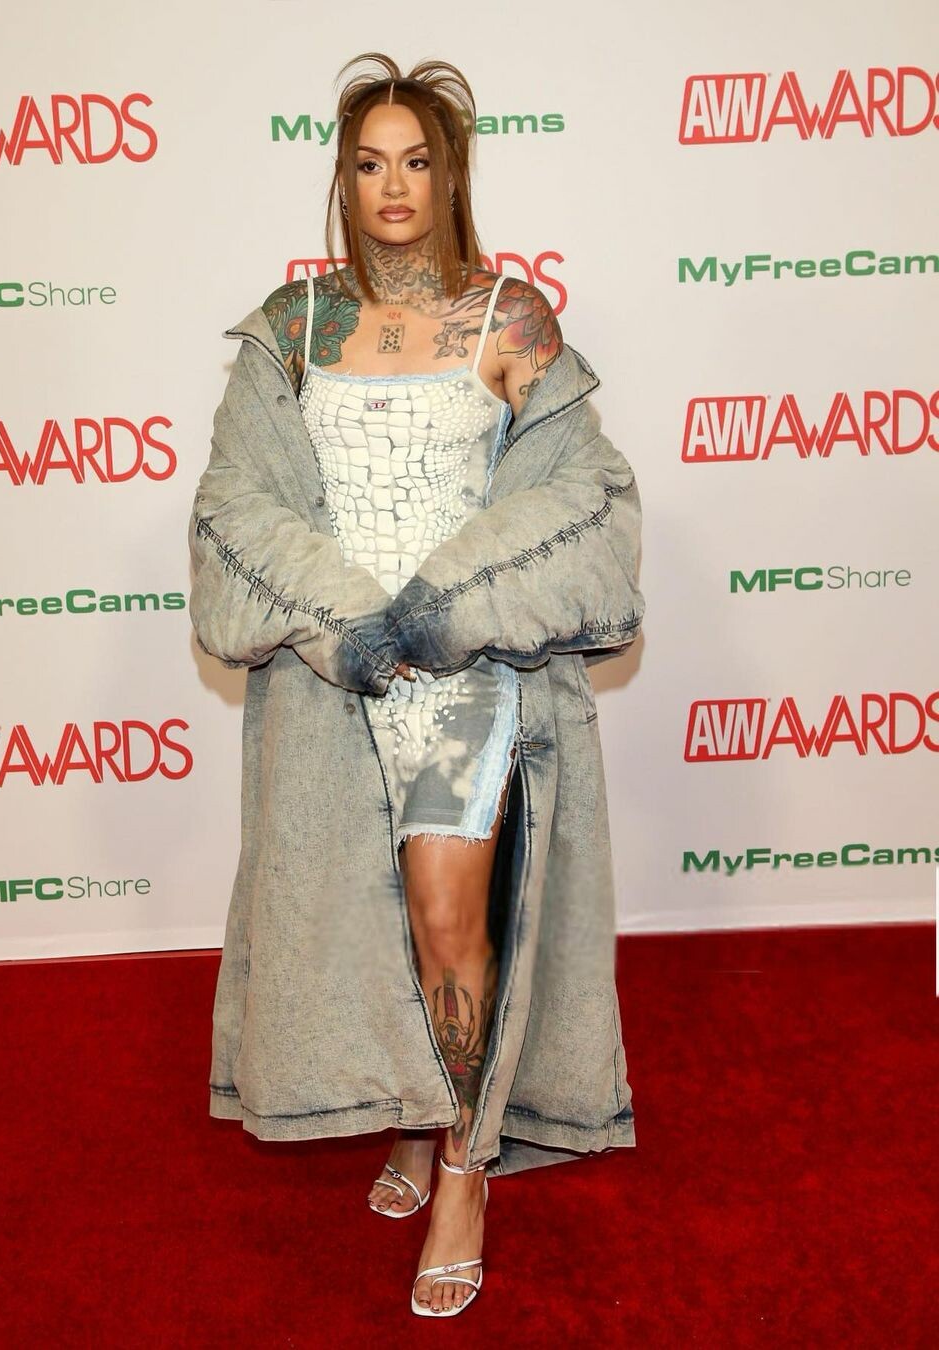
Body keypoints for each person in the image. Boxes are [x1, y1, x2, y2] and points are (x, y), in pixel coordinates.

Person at [188, 52, 645, 1320]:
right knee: (364, 920)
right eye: (369, 162)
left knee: (448, 918)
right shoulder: (293, 327)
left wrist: (450, 610)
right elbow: (238, 503)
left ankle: (462, 1163)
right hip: (337, 677)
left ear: (451, 177)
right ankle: (415, 1103)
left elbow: (582, 495)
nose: (394, 184)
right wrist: (342, 621)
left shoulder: (510, 321)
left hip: (460, 671)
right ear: (344, 180)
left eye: (418, 160)